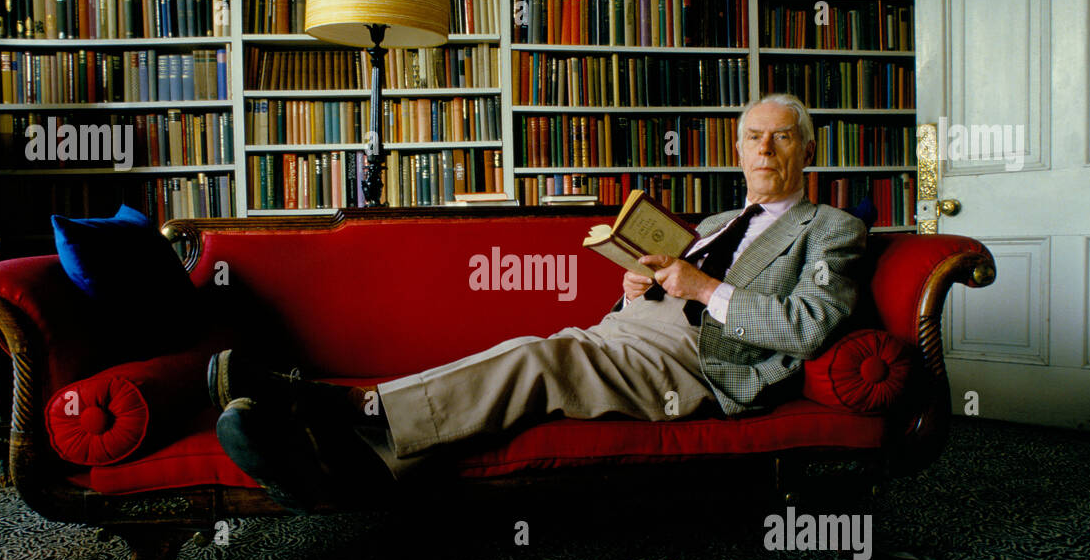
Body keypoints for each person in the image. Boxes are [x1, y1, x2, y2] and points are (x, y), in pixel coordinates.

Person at [211, 93, 867, 511]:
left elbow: (809, 326)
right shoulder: (723, 216)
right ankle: (361, 467)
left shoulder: (832, 228)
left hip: (705, 361)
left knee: (539, 360)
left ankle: (336, 402)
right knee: (531, 364)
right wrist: (637, 283)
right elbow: (674, 280)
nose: (765, 149)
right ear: (737, 148)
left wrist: (698, 287)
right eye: (753, 136)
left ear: (807, 148)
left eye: (782, 137)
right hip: (636, 328)